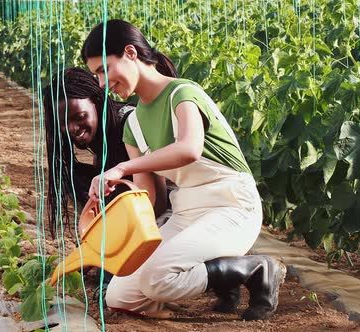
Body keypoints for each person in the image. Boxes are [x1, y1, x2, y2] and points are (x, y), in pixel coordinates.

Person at [81, 19, 286, 321]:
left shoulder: (183, 93)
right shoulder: (134, 124)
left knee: (156, 277)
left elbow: (189, 149)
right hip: (186, 213)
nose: (101, 83)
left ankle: (255, 270)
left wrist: (121, 168)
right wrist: (111, 224)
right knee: (118, 294)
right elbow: (149, 198)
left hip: (231, 206)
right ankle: (216, 274)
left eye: (104, 69)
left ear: (130, 53)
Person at [42, 67, 169, 299]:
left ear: (97, 101)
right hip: (131, 215)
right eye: (64, 123)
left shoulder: (129, 123)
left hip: (165, 212)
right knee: (81, 180)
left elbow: (156, 199)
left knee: (120, 287)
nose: (73, 129)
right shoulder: (101, 132)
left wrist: (115, 251)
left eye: (79, 117)